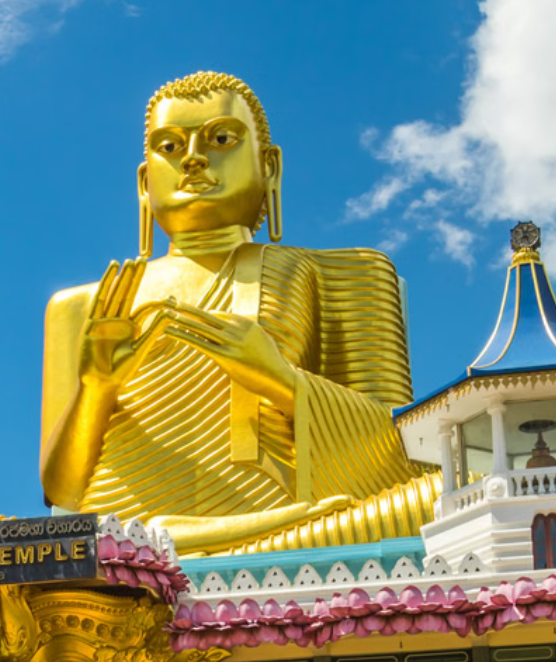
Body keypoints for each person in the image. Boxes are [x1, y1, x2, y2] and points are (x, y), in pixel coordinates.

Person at [39, 72, 437, 555]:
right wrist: (95, 388)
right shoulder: (84, 305)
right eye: (168, 145)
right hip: (115, 540)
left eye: (221, 138)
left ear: (269, 168)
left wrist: (281, 382)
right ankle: (161, 542)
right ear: (145, 184)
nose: (192, 157)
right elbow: (63, 492)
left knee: (438, 498)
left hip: (283, 535)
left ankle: (178, 542)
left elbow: (403, 458)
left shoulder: (341, 273)